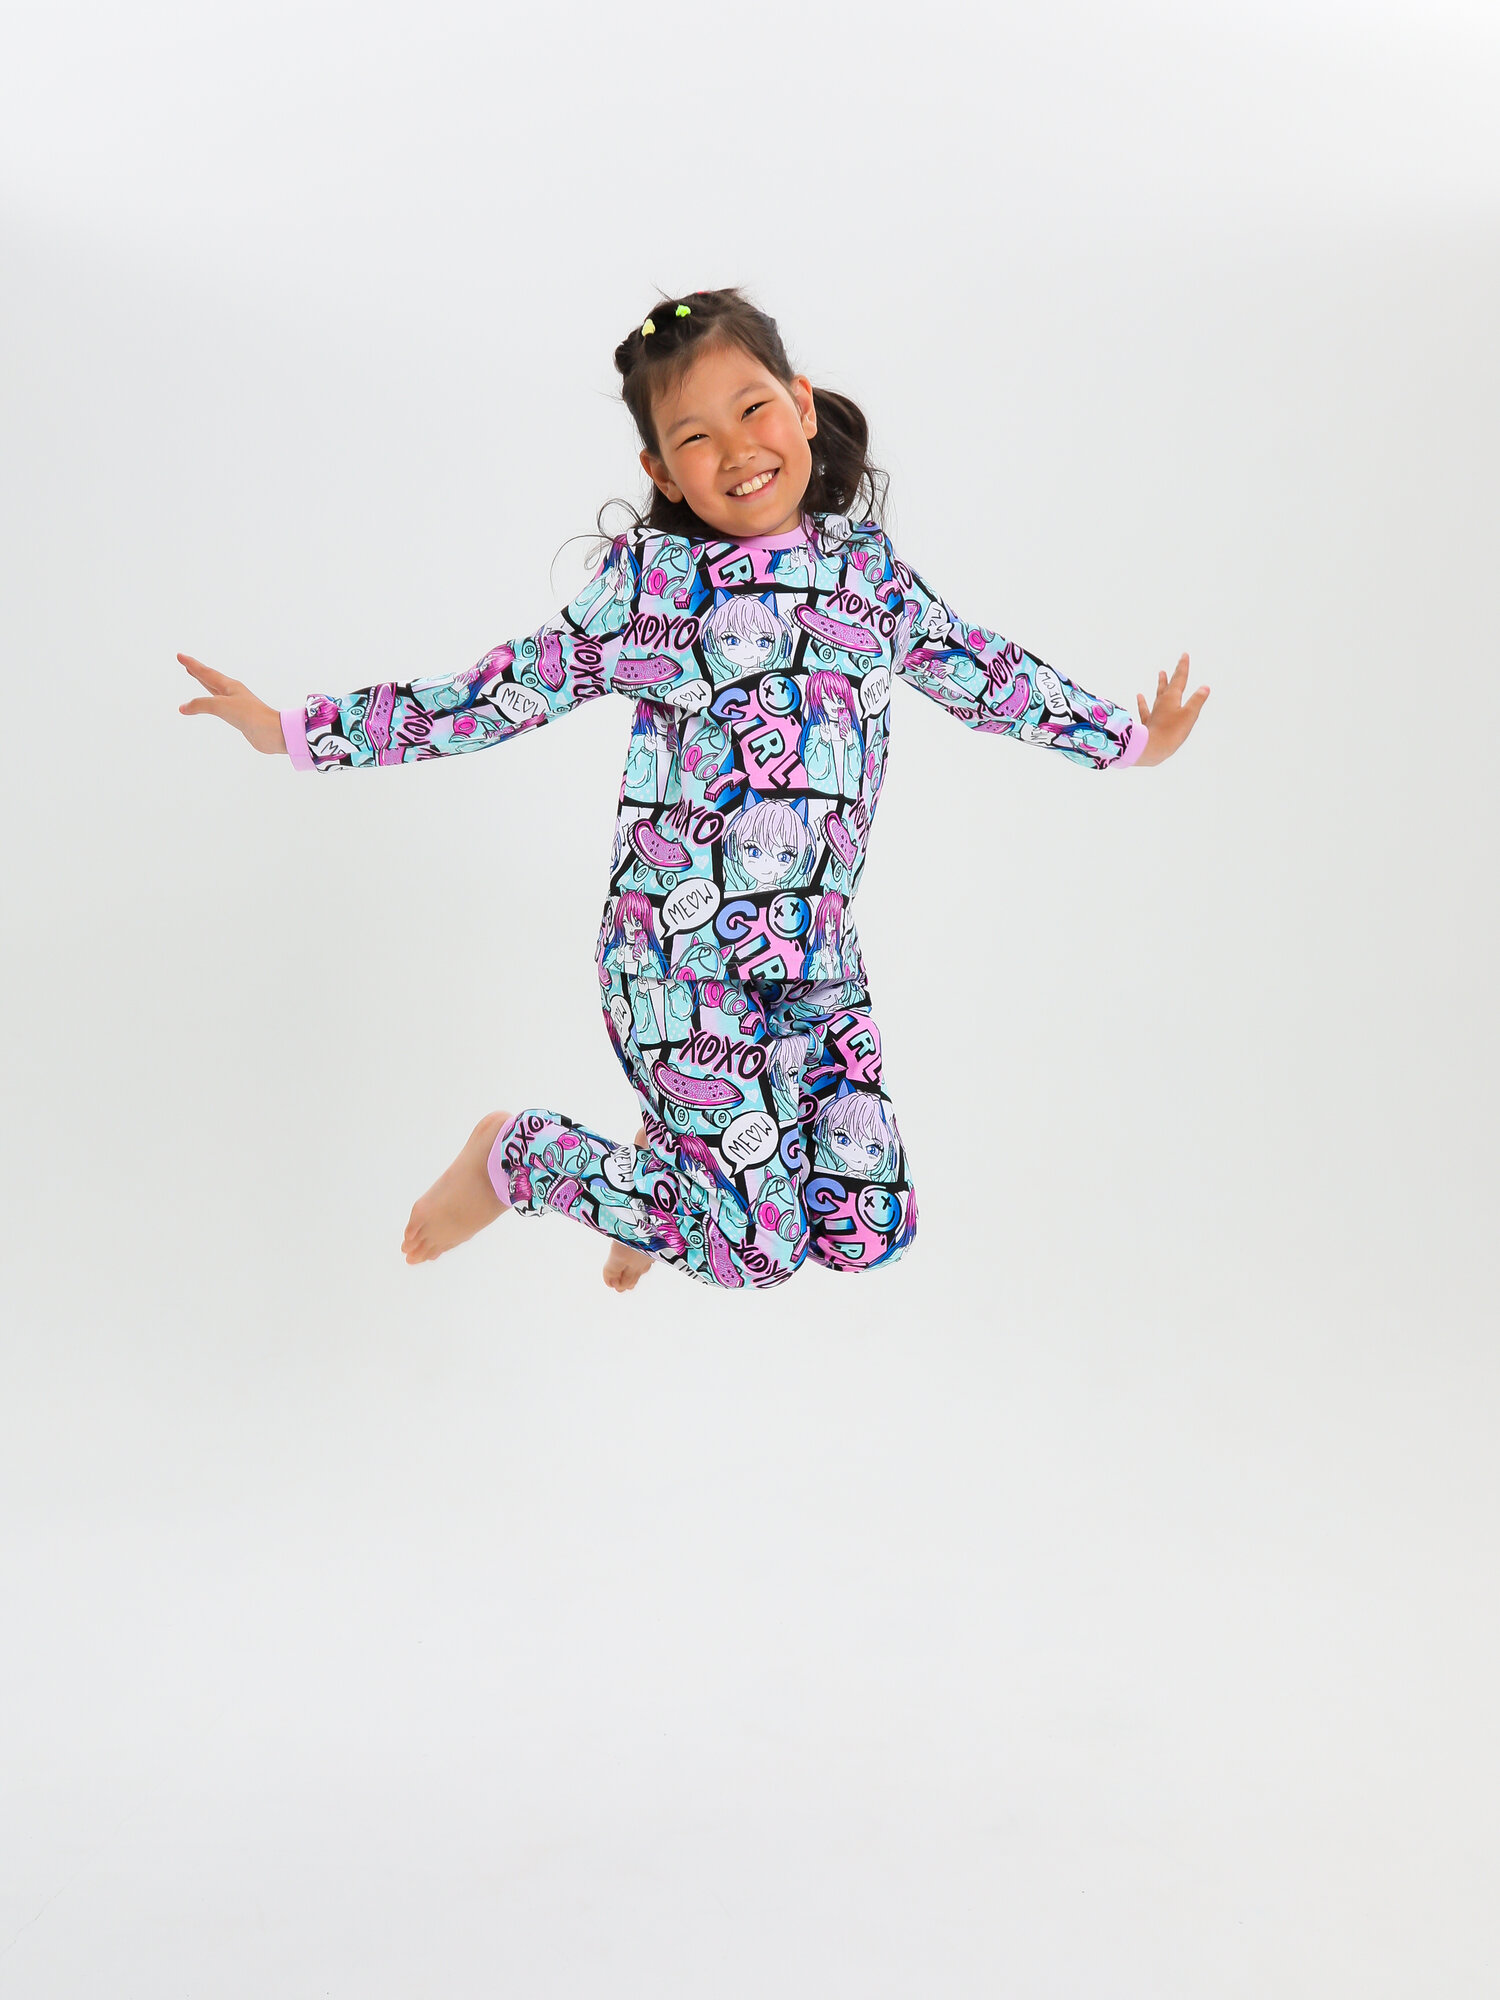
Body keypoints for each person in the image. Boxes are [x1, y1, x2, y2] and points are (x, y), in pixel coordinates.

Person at [178, 286, 1209, 1294]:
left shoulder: (868, 575)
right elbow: (496, 693)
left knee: (870, 1231)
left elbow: (981, 671)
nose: (737, 450)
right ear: (661, 471)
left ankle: (667, 1177)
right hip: (678, 958)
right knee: (756, 1250)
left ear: (802, 405)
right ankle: (519, 1158)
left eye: (753, 410)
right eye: (695, 438)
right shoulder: (656, 592)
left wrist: (1128, 741)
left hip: (815, 959)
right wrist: (296, 731)